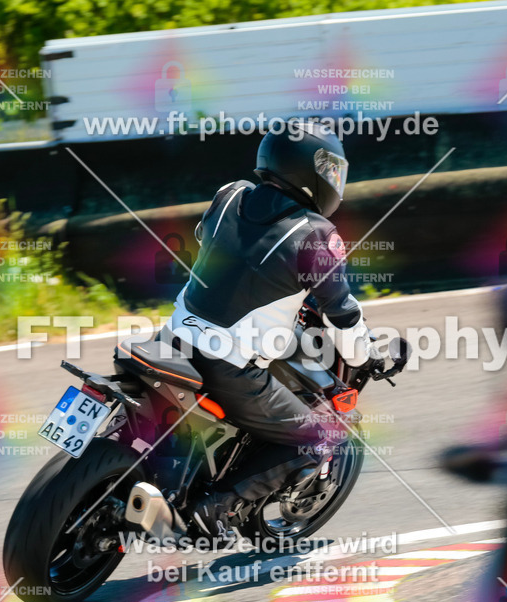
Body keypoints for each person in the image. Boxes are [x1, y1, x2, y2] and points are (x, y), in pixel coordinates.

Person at [162, 121, 380, 537]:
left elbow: (211, 240)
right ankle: (217, 509)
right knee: (318, 436)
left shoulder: (230, 194)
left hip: (171, 339)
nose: (335, 181)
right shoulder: (316, 235)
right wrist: (363, 355)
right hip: (228, 367)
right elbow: (342, 314)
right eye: (330, 170)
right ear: (311, 170)